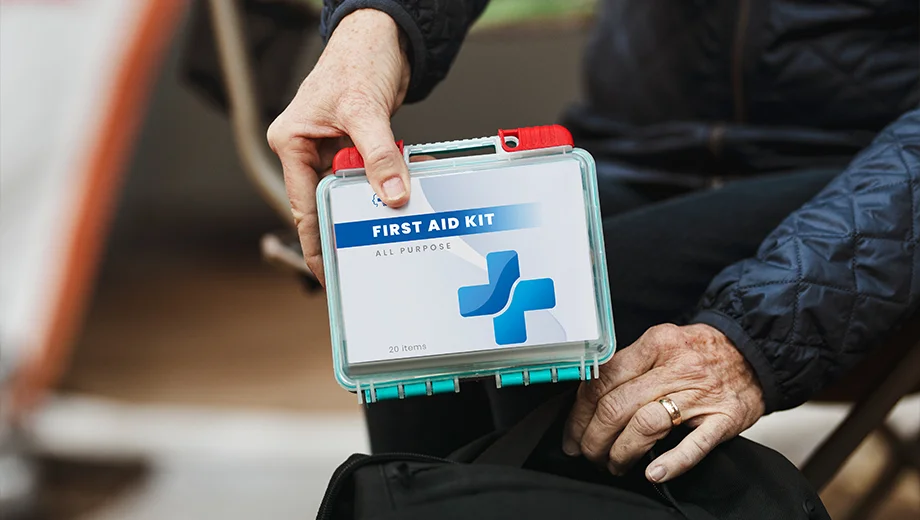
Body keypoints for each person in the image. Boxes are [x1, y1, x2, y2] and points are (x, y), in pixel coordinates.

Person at [267, 1, 920, 484]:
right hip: (636, 141)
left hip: (869, 171)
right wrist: (377, 23)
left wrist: (763, 330)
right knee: (423, 273)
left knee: (574, 304)